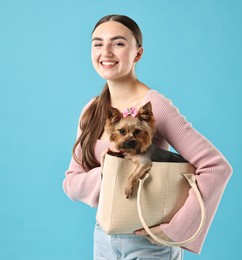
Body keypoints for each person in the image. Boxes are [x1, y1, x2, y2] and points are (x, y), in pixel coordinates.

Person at [63, 14, 232, 259]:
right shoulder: (92, 111)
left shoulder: (155, 106)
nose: (106, 52)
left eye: (118, 43)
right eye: (98, 43)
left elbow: (216, 167)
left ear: (138, 53)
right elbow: (71, 182)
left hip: (149, 245)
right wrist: (109, 171)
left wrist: (175, 231)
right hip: (103, 236)